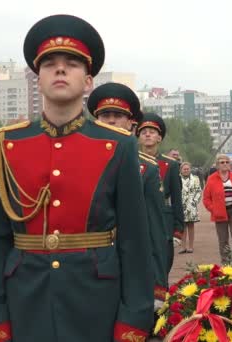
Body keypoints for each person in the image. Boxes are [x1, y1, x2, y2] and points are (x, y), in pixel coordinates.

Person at [0, 15, 153, 342]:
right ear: (37, 79)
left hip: (97, 301)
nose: (60, 69)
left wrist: (134, 316)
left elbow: (134, 241)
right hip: (24, 299)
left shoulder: (119, 146)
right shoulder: (5, 145)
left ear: (88, 82)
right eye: (50, 63)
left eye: (72, 63)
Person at [87, 82, 169, 310]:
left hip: (129, 267)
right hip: (85, 269)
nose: (111, 121)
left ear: (132, 124)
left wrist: (158, 287)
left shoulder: (147, 170)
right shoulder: (79, 164)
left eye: (118, 115)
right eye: (104, 115)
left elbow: (154, 233)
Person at [137, 113, 184, 274]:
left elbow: (177, 199)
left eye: (152, 132)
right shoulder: (130, 161)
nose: (148, 135)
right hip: (137, 219)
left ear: (159, 138)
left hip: (164, 220)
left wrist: (178, 230)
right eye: (143, 132)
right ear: (138, 138)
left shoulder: (170, 164)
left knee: (163, 266)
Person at [203, 154, 232, 264]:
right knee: (223, 239)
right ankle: (226, 263)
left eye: (227, 162)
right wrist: (213, 209)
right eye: (222, 162)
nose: (225, 164)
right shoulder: (211, 179)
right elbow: (206, 198)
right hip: (220, 214)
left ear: (230, 164)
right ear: (217, 165)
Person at [178, 162, 202, 254]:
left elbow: (198, 191)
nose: (186, 170)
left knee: (191, 226)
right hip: (180, 204)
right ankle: (183, 247)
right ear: (181, 170)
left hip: (191, 205)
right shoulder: (177, 178)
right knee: (182, 226)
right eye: (184, 169)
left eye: (188, 169)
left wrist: (194, 201)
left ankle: (190, 247)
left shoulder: (195, 179)